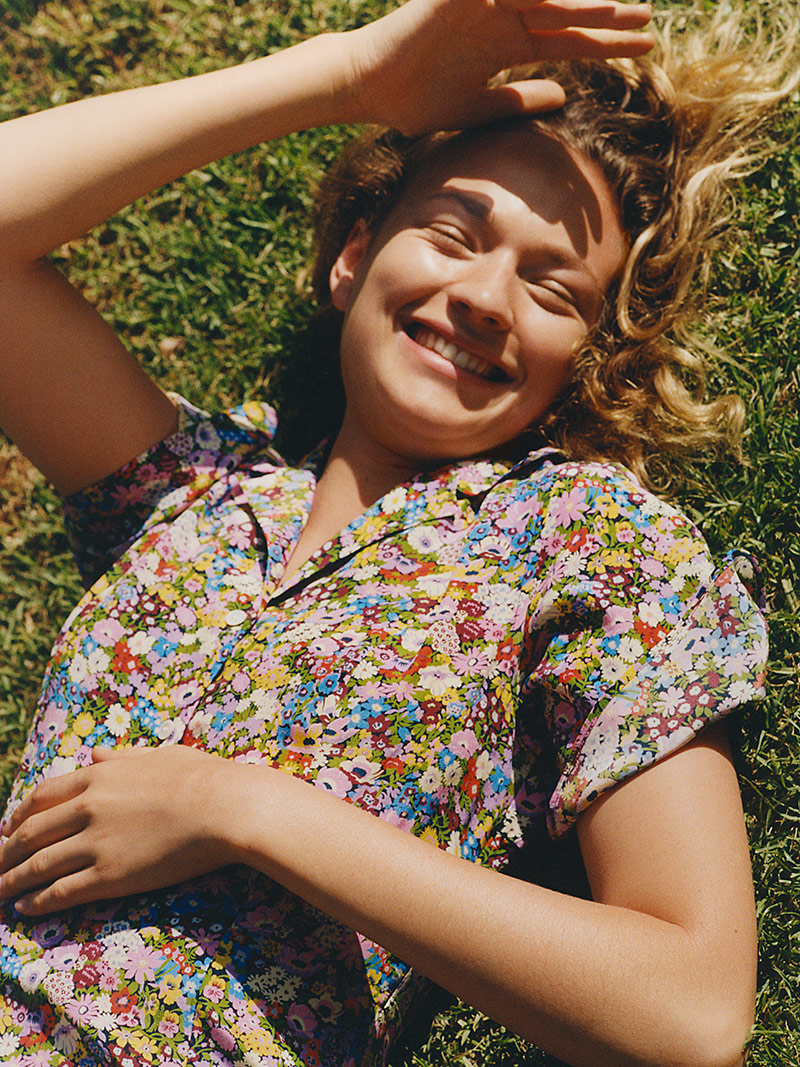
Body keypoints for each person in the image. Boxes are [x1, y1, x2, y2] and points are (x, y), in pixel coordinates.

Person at [0, 1, 793, 1064]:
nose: (485, 295)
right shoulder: (190, 492)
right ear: (353, 259)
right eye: (454, 233)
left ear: (583, 364)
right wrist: (346, 76)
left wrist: (239, 806)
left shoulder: (588, 541)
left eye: (552, 288)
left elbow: (691, 1010)